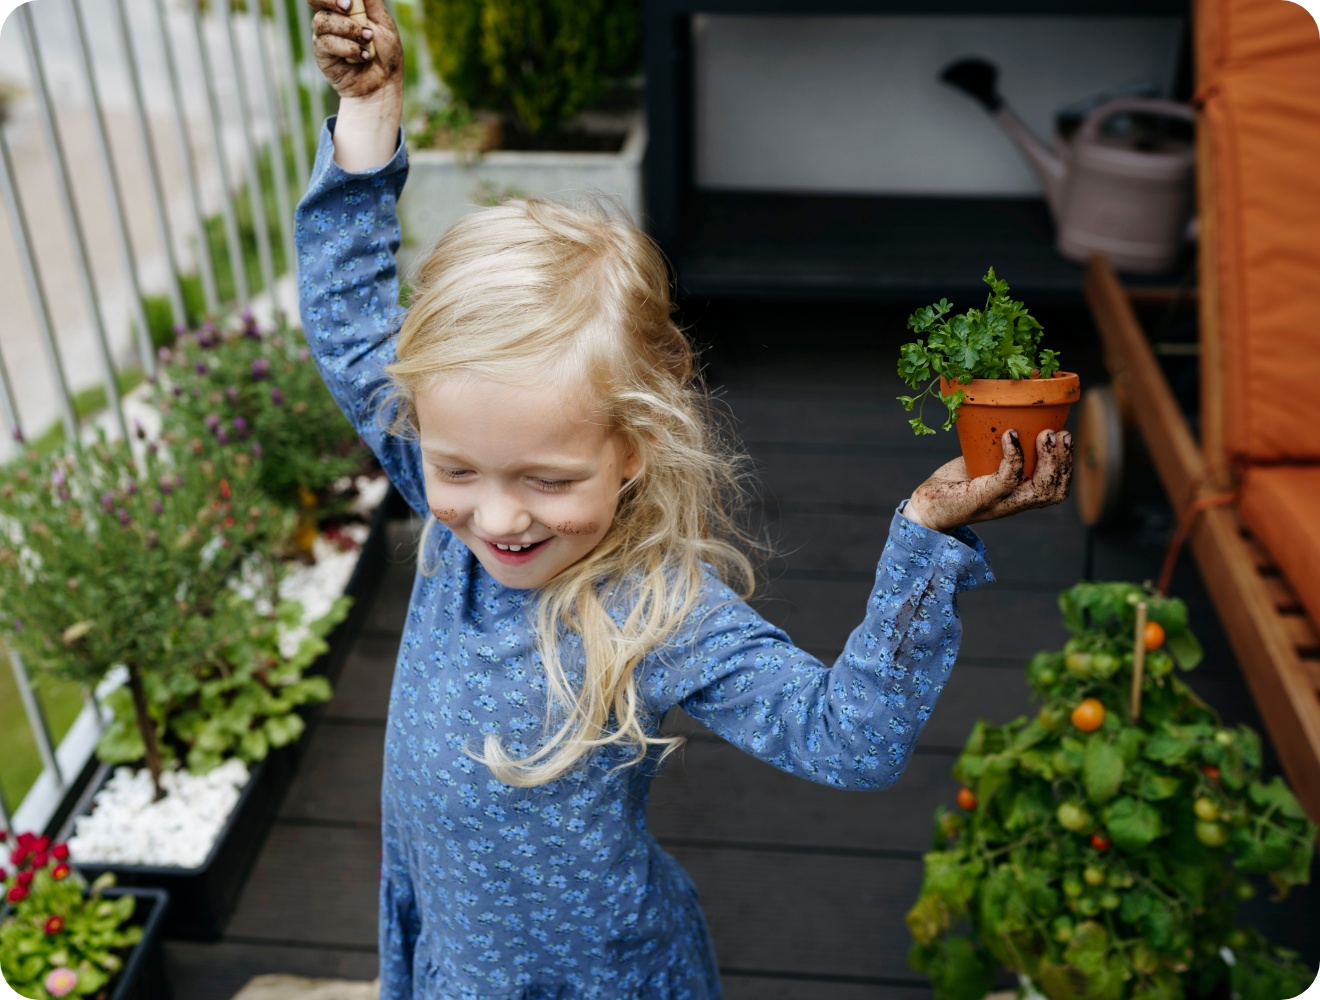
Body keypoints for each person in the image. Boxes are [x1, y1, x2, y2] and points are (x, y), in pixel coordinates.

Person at [296, 1, 1073, 996]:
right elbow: (350, 320)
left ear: (634, 448)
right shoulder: (453, 505)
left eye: (548, 479)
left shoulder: (664, 609)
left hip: (600, 978)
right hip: (454, 950)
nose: (495, 518)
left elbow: (848, 738)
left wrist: (922, 542)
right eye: (456, 472)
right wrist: (368, 112)